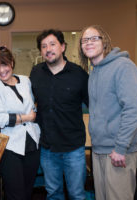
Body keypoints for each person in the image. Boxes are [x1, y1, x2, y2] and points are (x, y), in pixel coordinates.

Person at [79, 25, 137, 200]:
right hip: (99, 149)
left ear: (104, 41)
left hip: (118, 151)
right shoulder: (94, 72)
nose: (89, 42)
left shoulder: (123, 66)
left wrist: (120, 148)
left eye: (94, 38)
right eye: (85, 40)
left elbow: (133, 109)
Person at [30, 29, 89, 200]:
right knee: (53, 194)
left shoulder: (79, 74)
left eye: (52, 44)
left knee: (77, 194)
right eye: (43, 46)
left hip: (74, 148)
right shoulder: (36, 73)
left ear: (63, 47)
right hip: (47, 148)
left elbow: (95, 105)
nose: (48, 49)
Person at [0, 46, 41, 200]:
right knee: (15, 194)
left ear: (11, 63)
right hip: (10, 147)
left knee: (28, 191)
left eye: (4, 64)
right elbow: (0, 119)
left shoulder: (25, 80)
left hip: (33, 143)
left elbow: (33, 106)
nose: (1, 70)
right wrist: (27, 117)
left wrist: (29, 115)